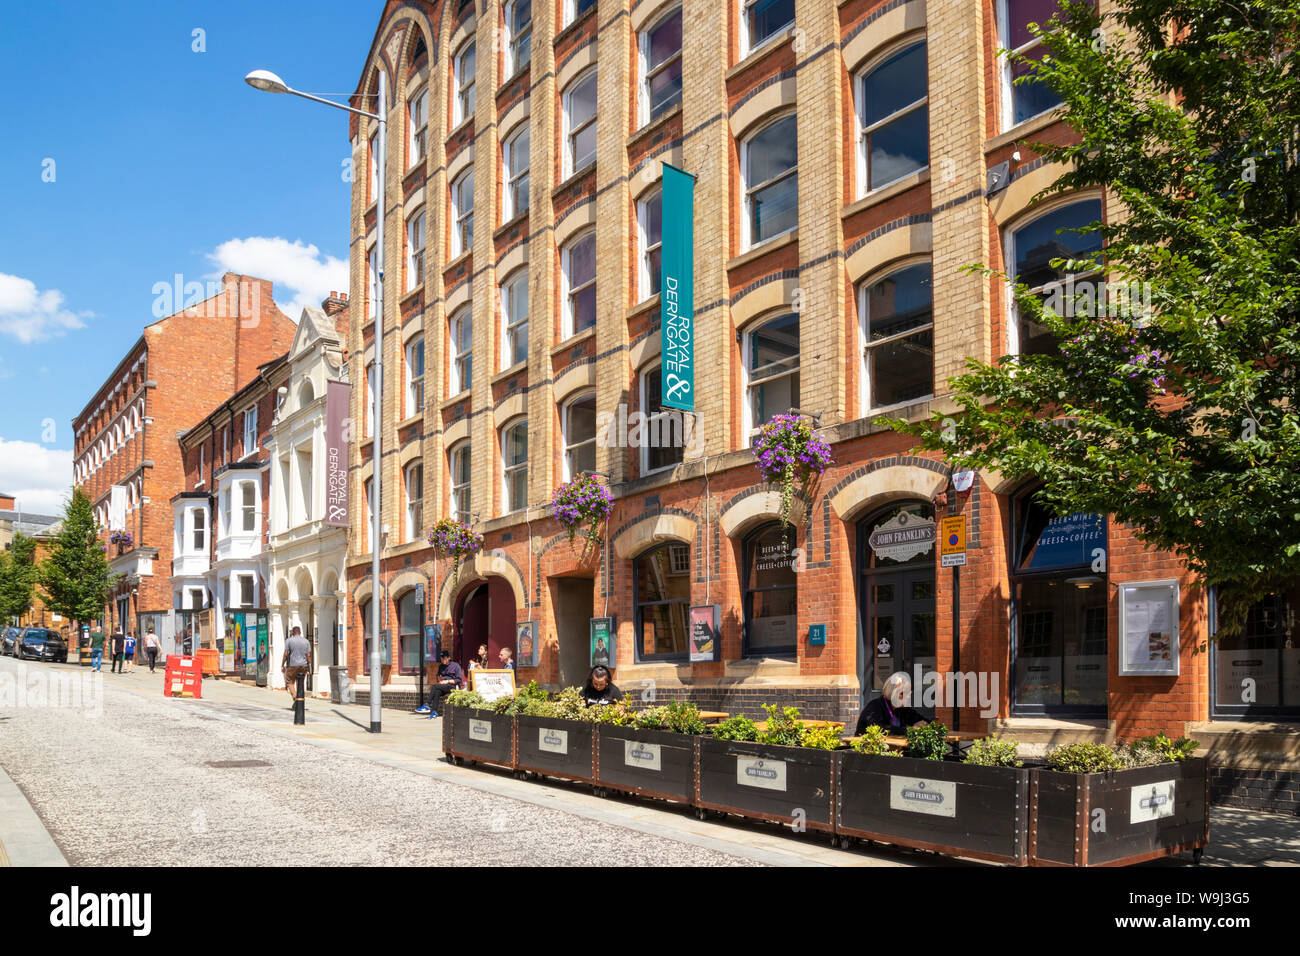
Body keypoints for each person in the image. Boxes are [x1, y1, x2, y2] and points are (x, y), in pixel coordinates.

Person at [854, 671, 927, 736]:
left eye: (909, 693)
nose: (908, 696)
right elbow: (881, 729)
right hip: (868, 748)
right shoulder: (874, 707)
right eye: (903, 693)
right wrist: (909, 730)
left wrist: (924, 724)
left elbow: (920, 720)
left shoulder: (902, 709)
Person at [415, 650, 463, 717]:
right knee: (437, 691)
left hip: (452, 686)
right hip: (443, 686)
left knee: (434, 686)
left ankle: (427, 704)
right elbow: (438, 676)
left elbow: (459, 680)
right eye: (441, 658)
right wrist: (439, 680)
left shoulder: (455, 666)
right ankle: (434, 712)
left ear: (449, 658)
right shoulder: (441, 666)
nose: (443, 660)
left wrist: (447, 681)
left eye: (444, 658)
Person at [282, 625, 313, 710]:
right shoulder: (306, 641)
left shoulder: (289, 640)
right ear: (300, 632)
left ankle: (296, 698)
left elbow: (286, 654)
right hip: (303, 665)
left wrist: (282, 665)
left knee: (289, 681)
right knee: (300, 683)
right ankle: (300, 701)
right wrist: (309, 668)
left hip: (292, 665)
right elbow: (308, 656)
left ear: (293, 632)